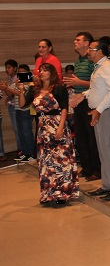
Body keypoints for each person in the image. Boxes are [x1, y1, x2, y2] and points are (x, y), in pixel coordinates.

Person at [18, 63, 78, 206]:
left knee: (61, 160)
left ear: (51, 73)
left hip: (56, 123)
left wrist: (60, 128)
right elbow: (22, 104)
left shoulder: (58, 88)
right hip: (43, 128)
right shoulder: (35, 89)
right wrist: (21, 90)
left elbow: (64, 108)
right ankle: (48, 193)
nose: (42, 72)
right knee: (46, 162)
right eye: (40, 70)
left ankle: (62, 193)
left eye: (45, 70)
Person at [78, 38, 110, 201]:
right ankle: (107, 185)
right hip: (101, 112)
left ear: (99, 51)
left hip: (107, 112)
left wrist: (98, 110)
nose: (88, 52)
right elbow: (97, 89)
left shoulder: (108, 67)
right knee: (103, 151)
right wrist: (83, 95)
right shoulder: (99, 67)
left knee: (109, 151)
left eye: (91, 49)